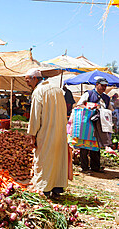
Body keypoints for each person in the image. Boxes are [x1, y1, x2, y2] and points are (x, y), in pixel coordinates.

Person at [25, 68, 68, 197]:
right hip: (59, 131)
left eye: (28, 80)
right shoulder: (57, 89)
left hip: (46, 131)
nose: (27, 84)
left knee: (44, 159)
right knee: (58, 158)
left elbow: (35, 116)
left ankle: (43, 188)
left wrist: (32, 135)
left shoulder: (39, 91)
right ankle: (57, 187)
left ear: (35, 78)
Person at [76, 77, 113, 173]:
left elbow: (110, 110)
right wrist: (91, 107)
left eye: (105, 86)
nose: (104, 87)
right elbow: (79, 105)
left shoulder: (106, 98)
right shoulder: (88, 94)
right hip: (87, 124)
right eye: (102, 85)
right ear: (96, 84)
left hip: (100, 125)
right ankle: (84, 167)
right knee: (85, 145)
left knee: (96, 145)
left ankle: (95, 167)